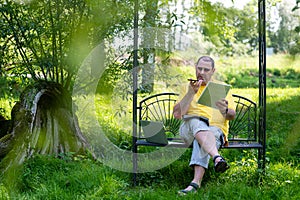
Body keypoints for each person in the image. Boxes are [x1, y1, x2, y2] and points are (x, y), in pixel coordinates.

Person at [173, 56, 236, 195]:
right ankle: (217, 157)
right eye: (199, 68)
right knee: (196, 120)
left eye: (206, 70)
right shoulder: (187, 87)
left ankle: (194, 184)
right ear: (195, 67)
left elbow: (231, 115)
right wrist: (191, 93)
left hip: (214, 131)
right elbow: (177, 114)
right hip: (188, 130)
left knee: (205, 136)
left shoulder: (220, 89)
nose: (201, 72)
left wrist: (224, 110)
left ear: (213, 71)